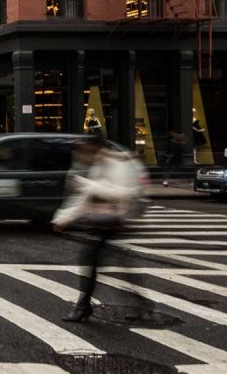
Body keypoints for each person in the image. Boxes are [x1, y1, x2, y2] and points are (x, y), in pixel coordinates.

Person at [52, 136, 144, 323]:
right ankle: (141, 305)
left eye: (83, 152)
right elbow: (86, 198)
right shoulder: (98, 165)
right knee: (115, 265)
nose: (81, 157)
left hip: (115, 221)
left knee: (90, 260)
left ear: (94, 149)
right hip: (102, 222)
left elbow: (123, 193)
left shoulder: (116, 165)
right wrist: (63, 218)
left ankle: (83, 307)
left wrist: (87, 184)